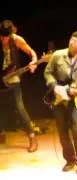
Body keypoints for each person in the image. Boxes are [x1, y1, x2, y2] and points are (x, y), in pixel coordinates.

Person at [44, 30, 77, 174]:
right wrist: (54, 86)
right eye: (71, 39)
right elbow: (48, 72)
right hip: (59, 97)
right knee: (62, 130)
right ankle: (70, 160)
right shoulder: (58, 55)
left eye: (75, 41)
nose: (72, 42)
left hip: (76, 98)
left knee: (76, 129)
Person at [0, 19, 38, 153]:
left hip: (13, 76)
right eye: (2, 37)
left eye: (6, 37)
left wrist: (34, 62)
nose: (4, 40)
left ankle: (32, 137)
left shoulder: (17, 40)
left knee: (20, 107)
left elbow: (32, 53)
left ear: (11, 34)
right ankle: (2, 132)